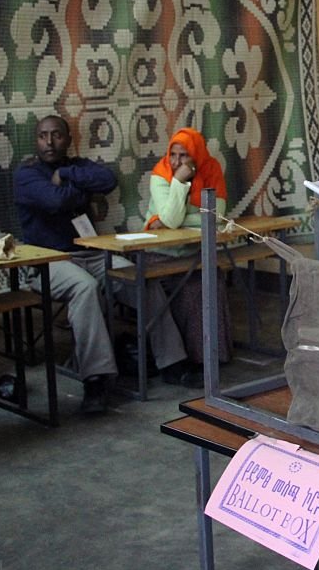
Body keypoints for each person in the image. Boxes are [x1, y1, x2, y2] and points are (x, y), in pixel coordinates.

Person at [14, 115, 190, 413]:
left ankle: (173, 362)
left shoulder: (76, 166)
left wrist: (67, 174)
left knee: (139, 278)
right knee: (85, 287)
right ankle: (96, 379)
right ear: (36, 140)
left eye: (57, 135)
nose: (49, 142)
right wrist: (80, 190)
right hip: (48, 259)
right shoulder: (27, 175)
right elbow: (55, 202)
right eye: (43, 136)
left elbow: (108, 180)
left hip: (92, 252)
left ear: (68, 139)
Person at [143, 127, 233, 382]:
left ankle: (207, 358)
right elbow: (171, 220)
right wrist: (179, 181)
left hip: (192, 253)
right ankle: (180, 360)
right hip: (159, 252)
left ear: (197, 155)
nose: (177, 162)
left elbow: (216, 215)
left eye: (185, 155)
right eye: (174, 154)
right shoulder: (161, 174)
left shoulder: (211, 169)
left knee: (206, 281)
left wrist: (177, 219)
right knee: (179, 283)